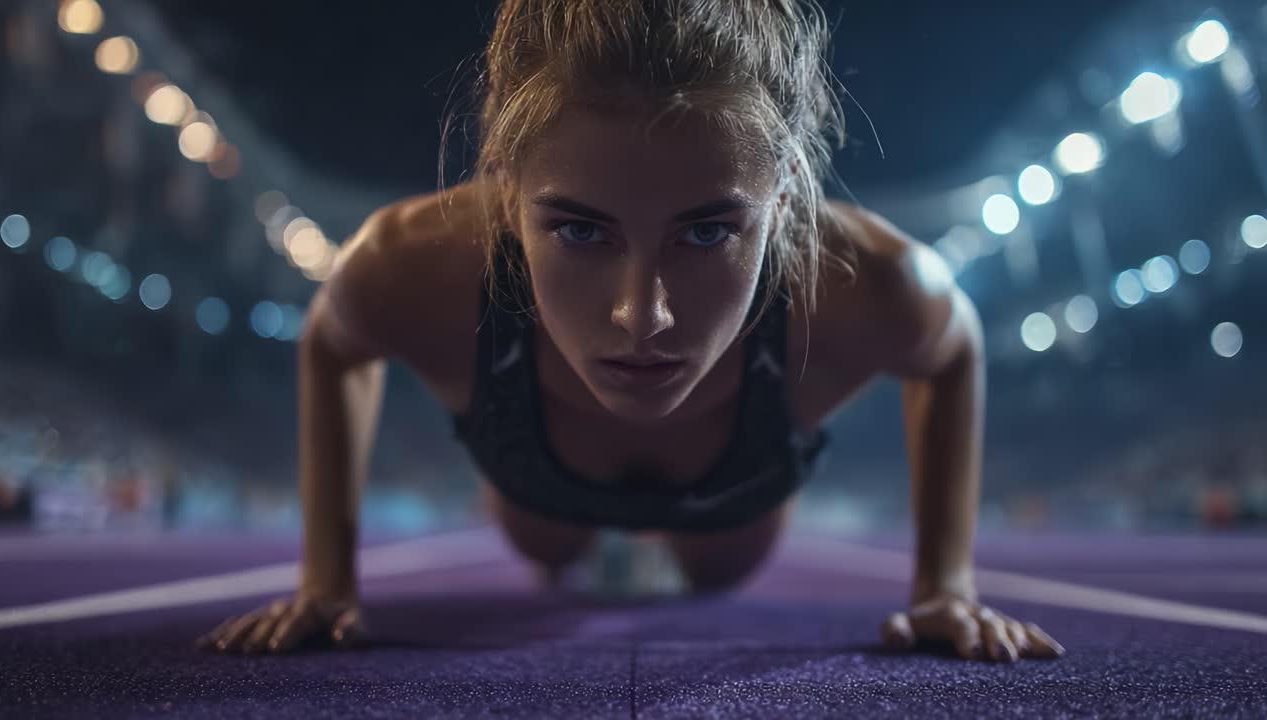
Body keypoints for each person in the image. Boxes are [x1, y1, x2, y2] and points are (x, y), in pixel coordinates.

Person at [199, 0, 1064, 663]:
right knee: (546, 543)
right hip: (537, 481)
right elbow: (332, 342)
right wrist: (327, 582)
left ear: (788, 192)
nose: (642, 316)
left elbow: (951, 353)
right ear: (504, 187)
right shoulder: (403, 262)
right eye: (580, 231)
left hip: (736, 487)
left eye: (706, 232)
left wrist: (946, 585)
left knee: (718, 571)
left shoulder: (872, 284)